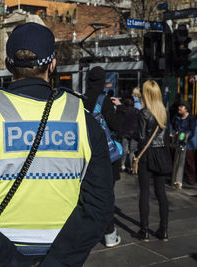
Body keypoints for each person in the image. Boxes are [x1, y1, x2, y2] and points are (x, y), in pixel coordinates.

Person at [0, 22, 114, 266]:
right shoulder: (84, 118)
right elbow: (99, 207)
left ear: (7, 64)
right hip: (60, 254)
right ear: (53, 64)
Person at [84, 66, 125, 248]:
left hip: (86, 154)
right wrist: (120, 110)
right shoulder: (104, 100)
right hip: (106, 156)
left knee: (86, 194)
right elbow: (117, 127)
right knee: (107, 195)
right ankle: (110, 234)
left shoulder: (81, 100)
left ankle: (87, 233)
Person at [135, 80, 170, 242]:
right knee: (161, 192)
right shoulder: (165, 112)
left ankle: (144, 230)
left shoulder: (143, 113)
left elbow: (141, 138)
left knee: (144, 192)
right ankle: (163, 230)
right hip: (162, 153)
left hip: (147, 155)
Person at [171, 103, 197, 185]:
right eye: (179, 106)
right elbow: (172, 125)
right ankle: (176, 177)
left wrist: (182, 135)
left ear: (186, 109)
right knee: (176, 160)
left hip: (189, 143)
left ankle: (191, 178)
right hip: (178, 141)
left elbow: (192, 131)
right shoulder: (176, 117)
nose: (179, 108)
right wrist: (172, 132)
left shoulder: (192, 118)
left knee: (189, 161)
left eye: (181, 107)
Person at [121, 97, 139, 172]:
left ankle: (122, 165)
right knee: (132, 151)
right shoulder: (137, 111)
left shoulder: (123, 111)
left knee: (124, 150)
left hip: (124, 132)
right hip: (134, 133)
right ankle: (132, 167)